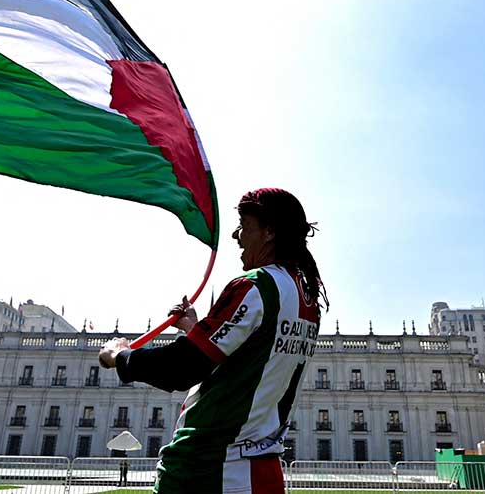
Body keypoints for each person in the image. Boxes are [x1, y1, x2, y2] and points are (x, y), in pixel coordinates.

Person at [98, 188, 326, 494]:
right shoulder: (307, 301)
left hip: (209, 468)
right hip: (262, 471)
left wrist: (122, 355)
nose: (236, 235)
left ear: (269, 232)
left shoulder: (255, 286)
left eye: (244, 225)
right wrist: (196, 327)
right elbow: (247, 359)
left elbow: (183, 367)